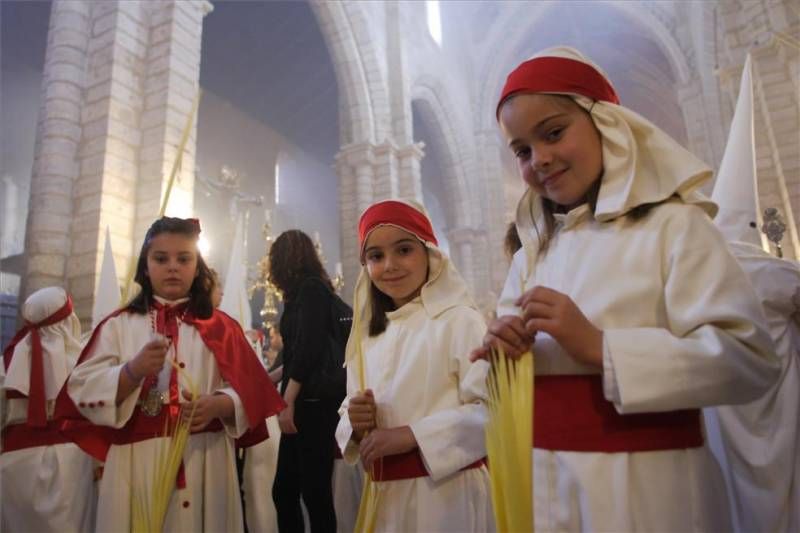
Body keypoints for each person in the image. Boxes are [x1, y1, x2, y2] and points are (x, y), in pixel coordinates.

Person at [473, 47, 780, 532]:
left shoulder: (674, 227)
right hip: (547, 485)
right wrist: (503, 351)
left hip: (650, 488)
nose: (540, 159)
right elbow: (505, 377)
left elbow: (750, 358)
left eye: (553, 133)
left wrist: (601, 347)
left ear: (608, 126)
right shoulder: (533, 252)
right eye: (522, 151)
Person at [55, 216, 285, 532]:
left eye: (184, 259)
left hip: (204, 457)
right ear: (145, 266)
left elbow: (255, 391)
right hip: (135, 460)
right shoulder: (118, 326)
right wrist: (131, 372)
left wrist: (220, 404)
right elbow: (81, 389)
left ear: (197, 267)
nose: (173, 267)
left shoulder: (222, 328)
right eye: (161, 259)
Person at [336, 199, 494, 531]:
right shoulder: (367, 336)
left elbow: (492, 409)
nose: (389, 265)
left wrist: (413, 436)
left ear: (430, 255)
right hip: (384, 496)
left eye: (404, 250)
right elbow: (348, 409)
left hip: (448, 493)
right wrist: (355, 421)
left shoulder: (458, 321)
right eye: (376, 256)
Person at [1, 287, 96, 532]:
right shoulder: (84, 364)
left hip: (15, 467)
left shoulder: (5, 365)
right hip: (70, 466)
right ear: (68, 320)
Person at [270, 229, 342, 533]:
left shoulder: (311, 290)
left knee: (315, 494)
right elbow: (295, 352)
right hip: (306, 401)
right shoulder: (303, 292)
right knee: (286, 491)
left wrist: (287, 401)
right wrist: (267, 379)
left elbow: (309, 349)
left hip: (313, 404)